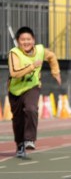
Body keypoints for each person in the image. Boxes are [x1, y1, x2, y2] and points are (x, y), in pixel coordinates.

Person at [8, 27, 62, 158]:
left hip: (32, 86)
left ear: (33, 40)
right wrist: (32, 66)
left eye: (29, 39)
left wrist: (56, 72)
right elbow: (14, 73)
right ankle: (20, 145)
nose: (26, 42)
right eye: (23, 39)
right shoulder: (14, 53)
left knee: (31, 108)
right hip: (15, 90)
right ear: (18, 41)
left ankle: (29, 139)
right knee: (18, 120)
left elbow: (52, 56)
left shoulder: (40, 50)